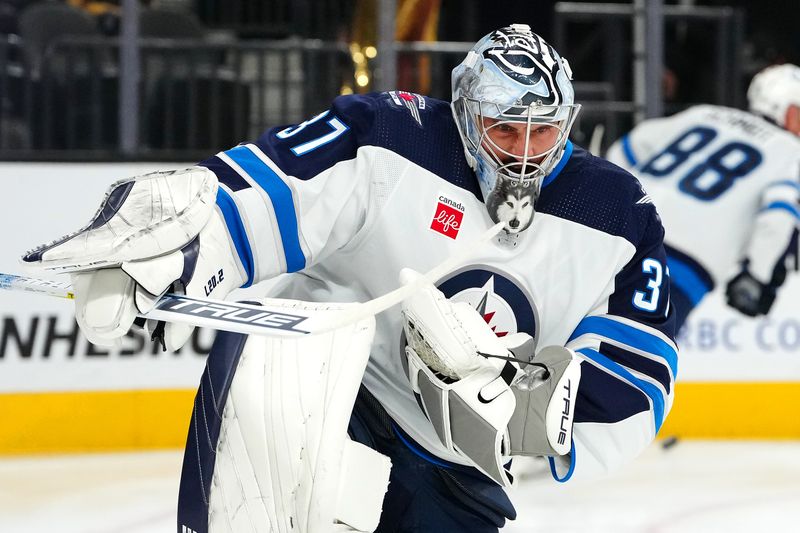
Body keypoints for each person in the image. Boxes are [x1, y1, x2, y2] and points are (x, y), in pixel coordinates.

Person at [23, 24, 677, 533]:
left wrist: (522, 406)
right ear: (467, 115)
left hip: (455, 469)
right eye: (507, 129)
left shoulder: (618, 216)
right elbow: (273, 190)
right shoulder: (388, 136)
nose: (528, 153)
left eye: (547, 133)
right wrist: (192, 248)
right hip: (328, 397)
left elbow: (638, 375)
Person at [606, 63, 800, 334]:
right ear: (786, 110)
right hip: (678, 263)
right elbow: (779, 213)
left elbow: (625, 151)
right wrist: (758, 276)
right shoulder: (791, 152)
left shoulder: (704, 113)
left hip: (615, 236)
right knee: (634, 360)